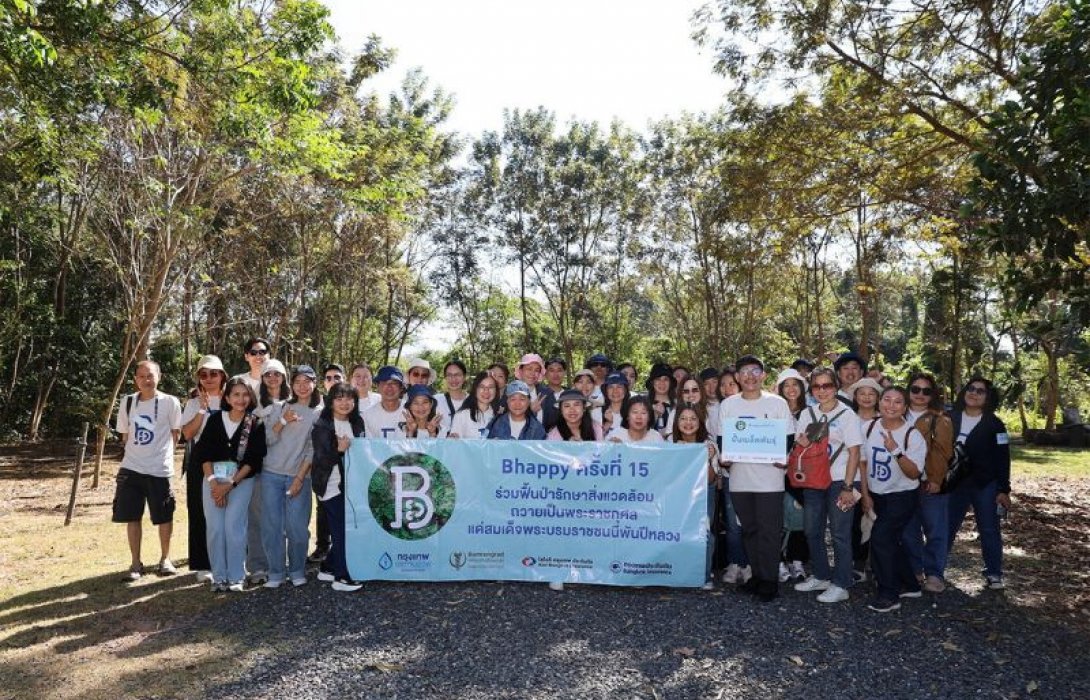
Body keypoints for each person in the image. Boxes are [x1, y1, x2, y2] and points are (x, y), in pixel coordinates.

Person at [719, 355, 795, 602]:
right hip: (739, 479)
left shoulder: (777, 403)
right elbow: (722, 439)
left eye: (755, 371)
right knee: (749, 529)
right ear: (737, 377)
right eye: (744, 372)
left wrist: (783, 457)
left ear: (763, 375)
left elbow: (788, 438)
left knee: (769, 531)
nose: (749, 376)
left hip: (770, 479)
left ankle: (770, 581)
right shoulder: (728, 405)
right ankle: (758, 576)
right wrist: (724, 457)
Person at [792, 367, 864, 604]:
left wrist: (848, 486)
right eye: (816, 386)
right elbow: (800, 446)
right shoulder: (807, 413)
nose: (822, 391)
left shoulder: (847, 415)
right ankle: (821, 575)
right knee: (812, 530)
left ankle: (842, 583)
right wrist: (802, 444)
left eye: (827, 385)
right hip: (814, 480)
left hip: (840, 480)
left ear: (836, 386)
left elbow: (854, 453)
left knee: (840, 533)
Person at [191, 377, 266, 592]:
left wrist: (230, 484)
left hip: (240, 482)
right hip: (212, 481)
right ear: (227, 397)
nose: (241, 399)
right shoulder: (215, 420)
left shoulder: (255, 423)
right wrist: (214, 484)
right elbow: (203, 454)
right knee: (215, 528)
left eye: (245, 394)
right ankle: (219, 577)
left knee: (234, 527)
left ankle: (236, 576)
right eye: (236, 394)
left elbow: (253, 460)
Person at [112, 360, 183, 580]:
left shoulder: (170, 402)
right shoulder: (127, 402)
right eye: (141, 376)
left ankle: (165, 559)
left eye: (150, 375)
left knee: (164, 515)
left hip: (159, 469)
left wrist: (163, 455)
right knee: (132, 516)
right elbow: (124, 435)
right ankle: (135, 563)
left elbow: (176, 433)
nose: (146, 380)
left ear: (159, 377)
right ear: (136, 379)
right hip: (131, 468)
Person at [860, 386, 928, 612]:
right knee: (890, 541)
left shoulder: (912, 435)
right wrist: (866, 495)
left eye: (898, 402)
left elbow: (914, 473)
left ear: (905, 407)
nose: (891, 405)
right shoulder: (869, 427)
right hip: (877, 494)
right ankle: (910, 584)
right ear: (879, 403)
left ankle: (889, 594)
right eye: (887, 400)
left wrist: (896, 451)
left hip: (902, 496)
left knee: (880, 539)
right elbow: (862, 463)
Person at [260, 365, 322, 588]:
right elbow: (266, 439)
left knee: (297, 527)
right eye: (297, 382)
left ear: (314, 383)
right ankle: (276, 572)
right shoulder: (279, 407)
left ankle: (297, 569)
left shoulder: (318, 413)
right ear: (291, 384)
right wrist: (283, 421)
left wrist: (299, 478)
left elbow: (313, 449)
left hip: (299, 476)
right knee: (272, 527)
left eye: (307, 381)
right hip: (271, 474)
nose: (302, 386)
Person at [947, 376, 1012, 590]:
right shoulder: (950, 417)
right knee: (947, 527)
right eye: (971, 389)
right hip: (954, 483)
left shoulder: (995, 424)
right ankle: (935, 569)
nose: (974, 393)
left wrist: (1003, 489)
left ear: (987, 397)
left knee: (989, 528)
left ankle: (994, 573)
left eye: (980, 391)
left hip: (984, 484)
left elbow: (1003, 458)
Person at [901, 372, 954, 593]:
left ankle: (934, 573)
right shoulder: (897, 413)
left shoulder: (940, 419)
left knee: (935, 530)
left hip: (928, 483)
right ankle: (915, 570)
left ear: (933, 394)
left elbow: (943, 452)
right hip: (902, 484)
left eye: (926, 391)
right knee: (908, 530)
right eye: (915, 389)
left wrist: (935, 479)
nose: (920, 394)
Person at [310, 381, 365, 592]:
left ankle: (329, 567)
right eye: (339, 398)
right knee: (342, 531)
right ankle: (342, 577)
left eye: (349, 398)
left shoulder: (357, 422)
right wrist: (339, 450)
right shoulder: (322, 426)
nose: (344, 403)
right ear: (330, 402)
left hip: (353, 486)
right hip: (331, 485)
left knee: (347, 529)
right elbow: (321, 460)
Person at [179, 355, 227, 582]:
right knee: (199, 512)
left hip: (227, 461)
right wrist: (201, 409)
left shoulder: (233, 397)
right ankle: (203, 564)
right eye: (203, 374)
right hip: (200, 461)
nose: (209, 378)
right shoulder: (192, 403)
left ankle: (231, 560)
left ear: (222, 375)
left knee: (228, 511)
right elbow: (188, 434)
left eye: (213, 373)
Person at [669, 403, 720, 590]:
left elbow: (711, 479)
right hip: (676, 497)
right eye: (683, 419)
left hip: (703, 495)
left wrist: (706, 458)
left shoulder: (709, 444)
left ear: (700, 422)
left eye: (693, 419)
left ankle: (703, 576)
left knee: (704, 534)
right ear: (677, 422)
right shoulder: (669, 443)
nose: (688, 423)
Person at [774, 368, 809, 582]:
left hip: (803, 474)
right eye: (786, 385)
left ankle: (797, 560)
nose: (791, 389)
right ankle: (778, 561)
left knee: (800, 517)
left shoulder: (810, 412)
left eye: (795, 384)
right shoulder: (772, 411)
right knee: (777, 518)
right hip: (777, 473)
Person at [363, 366, 410, 439]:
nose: (389, 387)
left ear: (401, 387)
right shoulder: (367, 415)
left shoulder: (411, 410)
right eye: (384, 383)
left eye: (394, 383)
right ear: (378, 387)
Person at [449, 372, 499, 439]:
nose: (486, 391)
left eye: (491, 387)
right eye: (482, 387)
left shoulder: (499, 416)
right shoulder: (462, 415)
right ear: (475, 389)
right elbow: (454, 442)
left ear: (496, 390)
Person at [436, 360, 469, 435]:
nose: (453, 379)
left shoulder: (473, 401)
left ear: (464, 377)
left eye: (457, 375)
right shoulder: (436, 400)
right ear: (445, 377)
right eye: (449, 375)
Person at [645, 362, 675, 436]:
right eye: (658, 379)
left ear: (671, 383)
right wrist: (654, 415)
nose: (662, 383)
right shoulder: (642, 404)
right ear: (652, 382)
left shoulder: (678, 405)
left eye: (666, 379)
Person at [539, 357, 568, 430]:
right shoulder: (539, 394)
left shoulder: (570, 394)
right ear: (545, 374)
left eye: (559, 370)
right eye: (551, 370)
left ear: (564, 373)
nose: (556, 374)